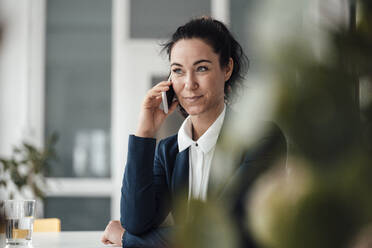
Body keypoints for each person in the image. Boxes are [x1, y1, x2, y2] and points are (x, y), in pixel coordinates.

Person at [101, 16, 287, 248]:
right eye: (178, 71)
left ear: (227, 68)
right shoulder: (169, 151)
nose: (189, 84)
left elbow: (220, 233)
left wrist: (128, 240)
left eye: (201, 68)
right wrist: (144, 133)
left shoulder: (260, 137)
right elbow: (135, 221)